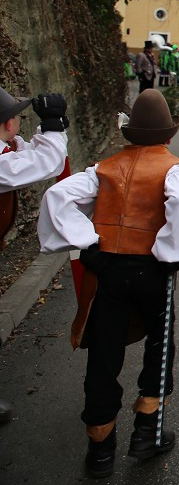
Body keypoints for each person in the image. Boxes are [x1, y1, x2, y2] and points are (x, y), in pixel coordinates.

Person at [38, 89, 179, 479]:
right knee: (159, 344)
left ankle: (100, 448)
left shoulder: (103, 169)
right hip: (151, 269)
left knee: (104, 350)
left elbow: (56, 198)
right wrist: (170, 252)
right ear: (168, 136)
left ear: (129, 134)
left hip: (108, 271)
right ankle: (147, 431)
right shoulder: (178, 171)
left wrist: (89, 246)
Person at [0, 87, 69, 425]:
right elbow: (44, 163)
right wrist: (53, 126)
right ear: (8, 122)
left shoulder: (7, 147)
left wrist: (51, 129)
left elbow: (30, 154)